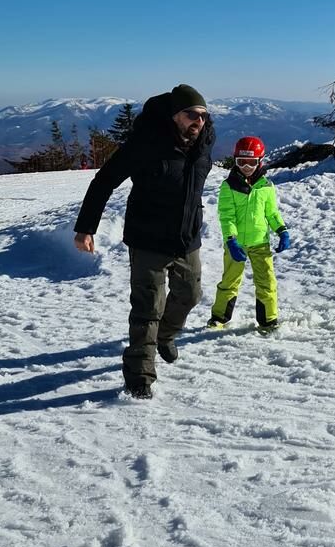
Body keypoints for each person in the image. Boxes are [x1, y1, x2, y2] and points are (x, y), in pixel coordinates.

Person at [74, 85, 215, 400]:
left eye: (203, 116)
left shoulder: (203, 144)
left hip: (186, 238)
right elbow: (104, 181)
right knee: (148, 307)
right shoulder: (146, 143)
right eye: (192, 114)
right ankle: (139, 376)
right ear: (174, 114)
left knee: (190, 294)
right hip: (148, 238)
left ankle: (164, 336)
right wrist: (86, 228)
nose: (199, 121)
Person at [208, 135, 290, 333]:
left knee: (267, 281)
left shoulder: (266, 187)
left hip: (260, 242)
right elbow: (226, 216)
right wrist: (231, 240)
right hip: (236, 243)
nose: (246, 167)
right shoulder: (228, 187)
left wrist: (282, 230)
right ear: (235, 161)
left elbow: (271, 213)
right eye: (241, 162)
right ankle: (219, 317)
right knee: (229, 281)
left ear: (260, 161)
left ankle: (268, 320)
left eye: (251, 162)